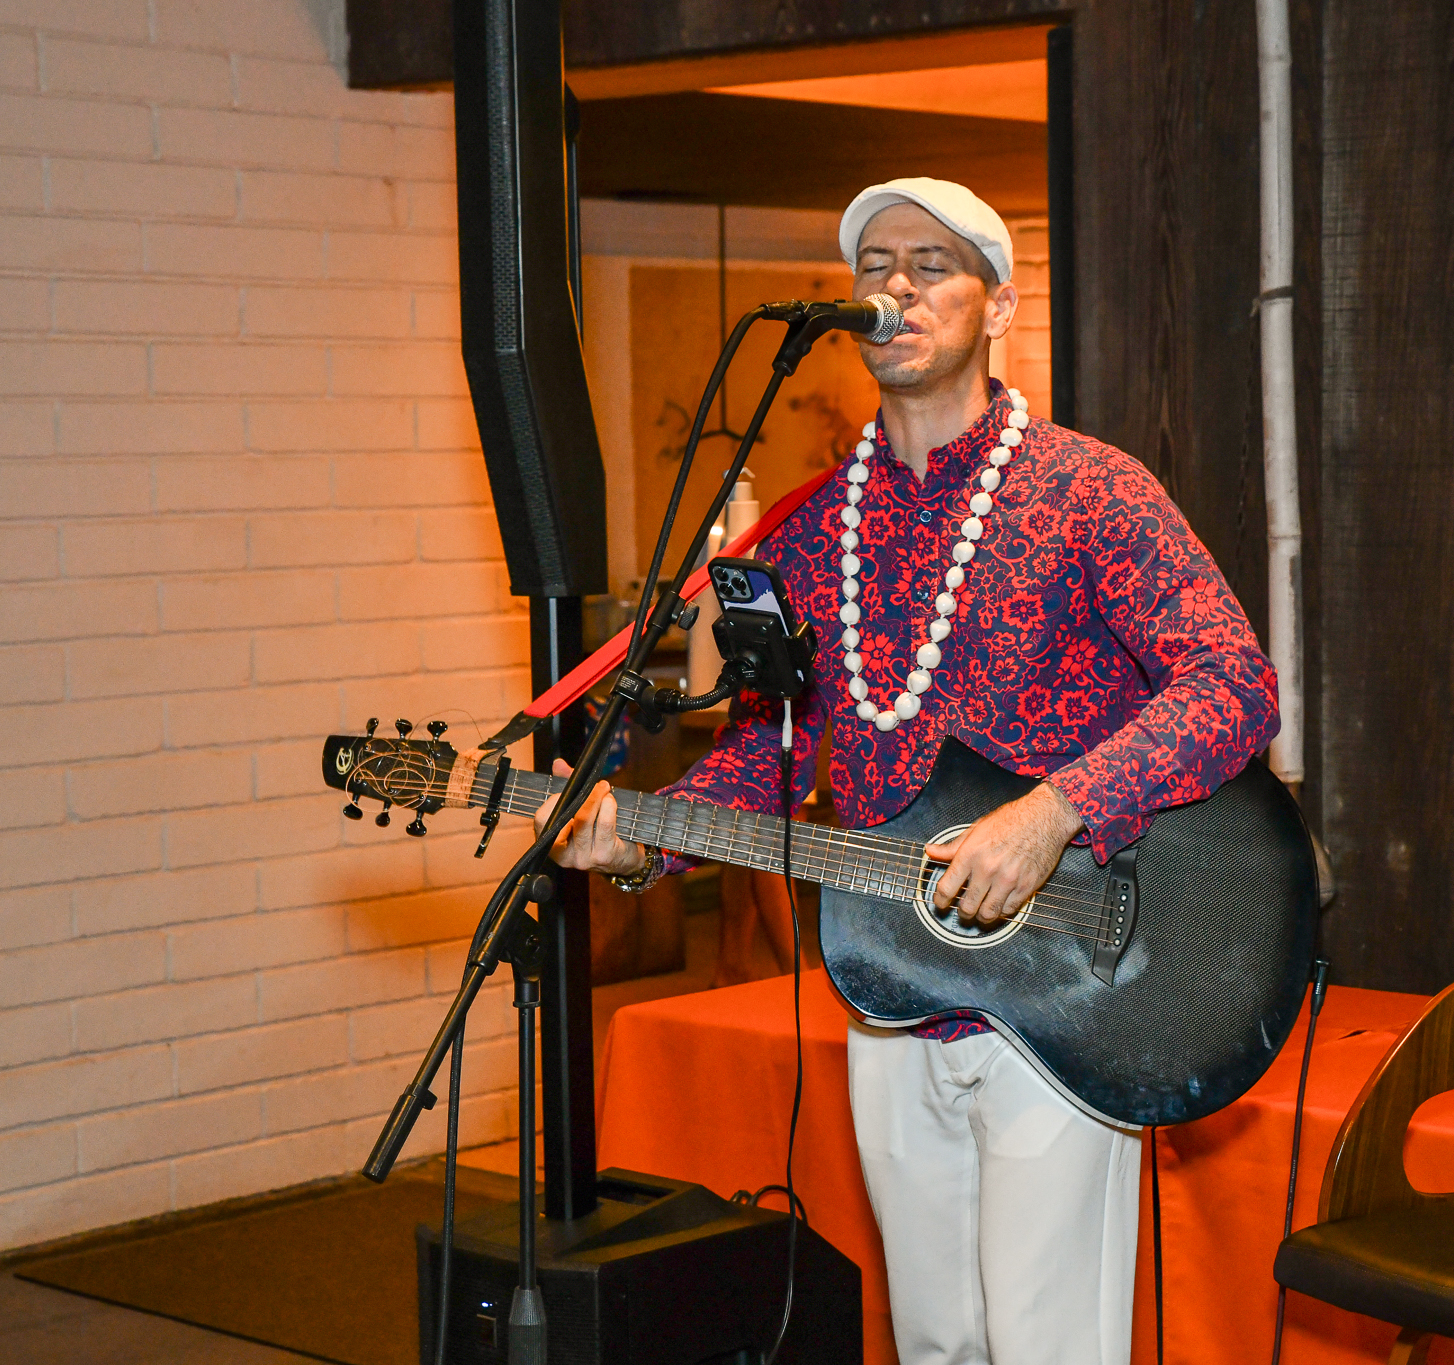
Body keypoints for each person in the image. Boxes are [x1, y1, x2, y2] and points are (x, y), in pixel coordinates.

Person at [538, 177, 1278, 1365]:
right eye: (875, 265)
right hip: (888, 981)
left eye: (931, 265)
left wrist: (1053, 813)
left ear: (998, 307)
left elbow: (1232, 684)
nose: (895, 286)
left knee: (1043, 1342)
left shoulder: (1089, 489)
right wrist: (648, 835)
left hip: (1070, 980)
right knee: (934, 1339)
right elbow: (779, 752)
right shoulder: (810, 527)